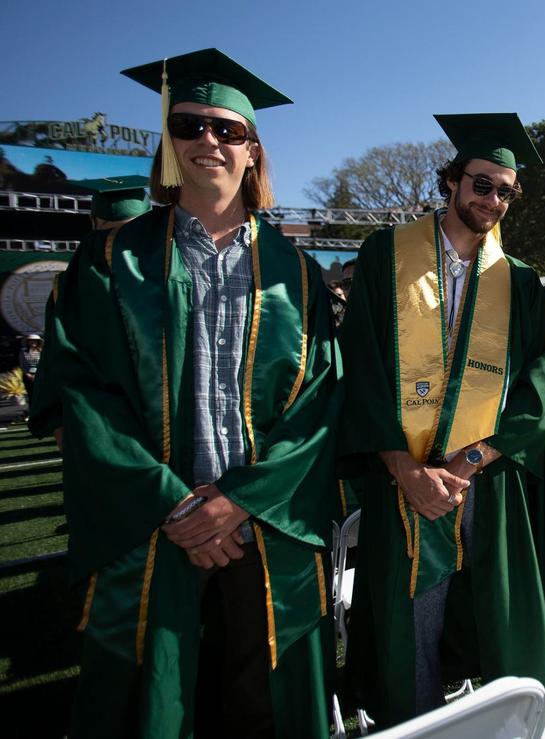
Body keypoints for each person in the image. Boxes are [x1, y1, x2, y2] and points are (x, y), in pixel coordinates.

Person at [54, 49, 340, 738]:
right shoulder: (106, 262)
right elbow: (81, 396)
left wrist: (238, 500)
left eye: (227, 129)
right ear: (169, 145)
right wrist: (177, 503)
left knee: (262, 702)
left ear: (253, 152)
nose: (207, 140)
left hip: (261, 527)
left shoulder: (297, 273)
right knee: (154, 700)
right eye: (189, 125)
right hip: (152, 522)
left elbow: (319, 404)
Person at [337, 113, 545, 725]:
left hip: (485, 477)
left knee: (492, 612)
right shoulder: (387, 253)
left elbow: (538, 378)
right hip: (403, 477)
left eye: (505, 191)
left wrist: (476, 455)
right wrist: (403, 466)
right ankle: (420, 726)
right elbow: (360, 364)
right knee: (413, 619)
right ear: (453, 182)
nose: (492, 199)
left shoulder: (517, 281)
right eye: (481, 184)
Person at [29, 175, 152, 447]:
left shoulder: (66, 287)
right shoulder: (167, 278)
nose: (113, 246)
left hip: (99, 426)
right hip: (120, 425)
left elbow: (54, 365)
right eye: (107, 236)